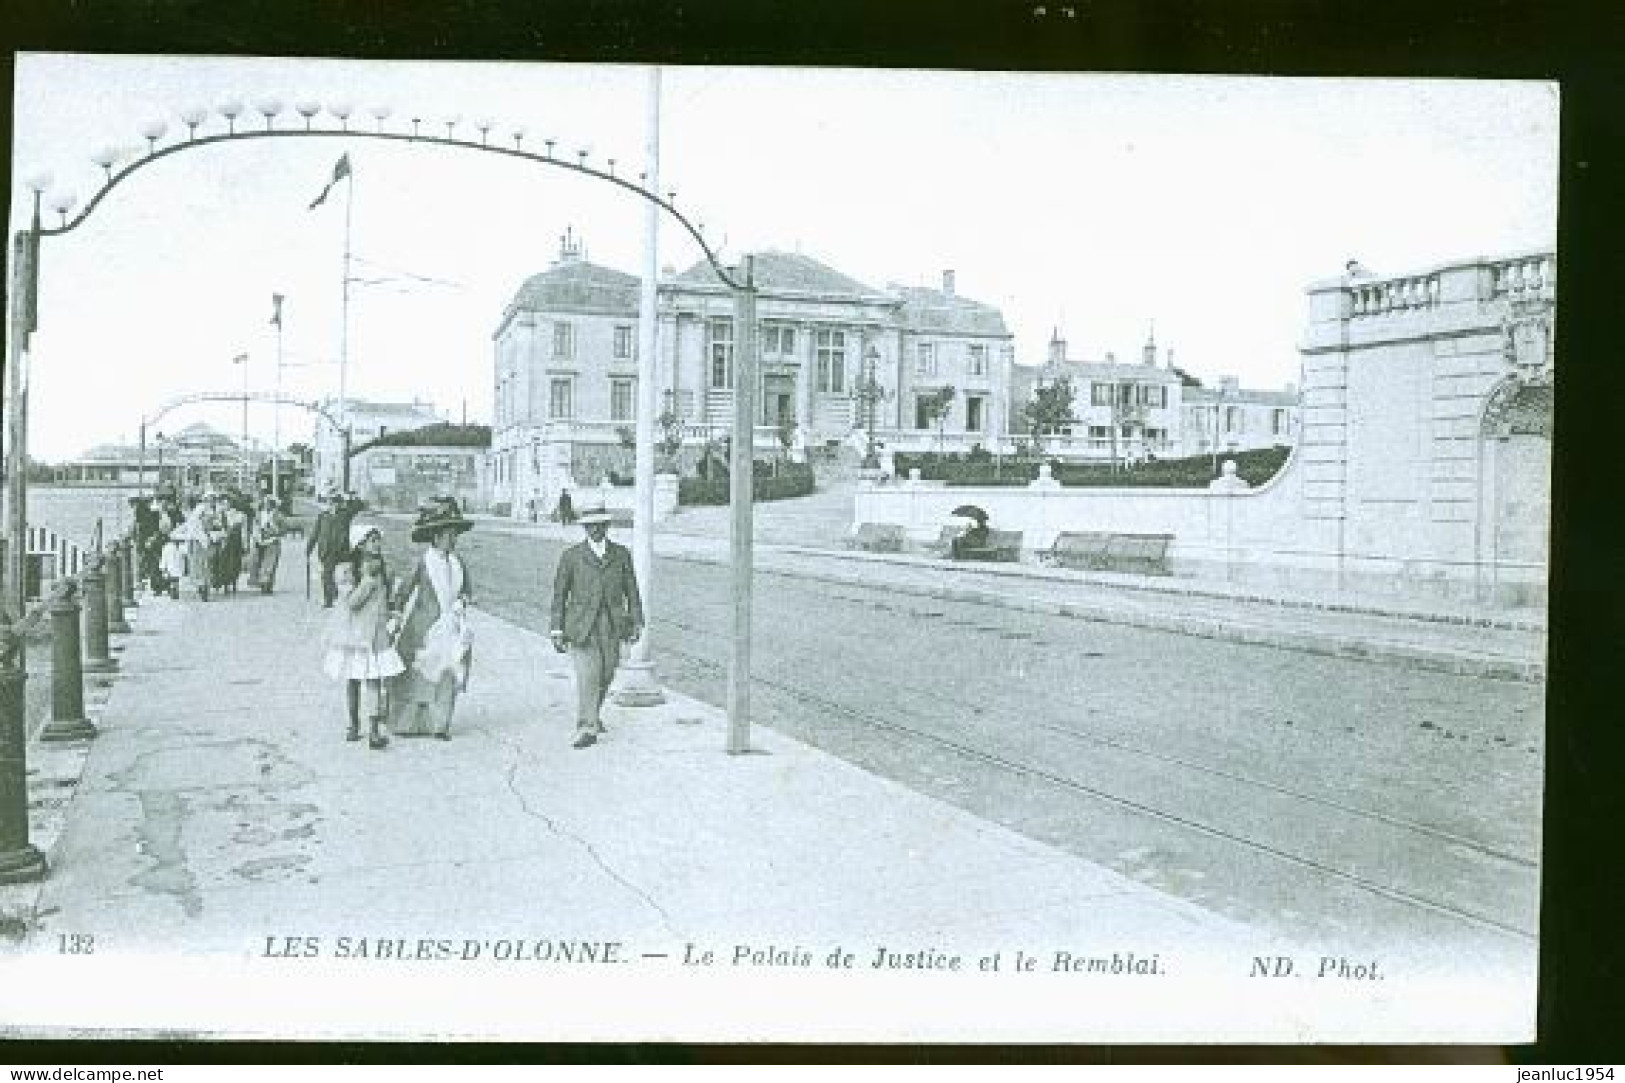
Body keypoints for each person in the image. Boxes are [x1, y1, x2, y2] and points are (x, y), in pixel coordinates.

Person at [549, 504, 643, 749]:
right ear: (584, 528)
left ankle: (594, 714)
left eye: (600, 525)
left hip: (612, 624)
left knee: (607, 673)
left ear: (606, 527)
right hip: (581, 626)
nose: (595, 530)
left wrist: (636, 621)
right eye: (590, 526)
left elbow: (632, 591)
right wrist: (556, 629)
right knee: (588, 676)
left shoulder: (621, 555)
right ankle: (586, 727)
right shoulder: (571, 557)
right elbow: (560, 594)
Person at [388, 498, 475, 740]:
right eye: (449, 534)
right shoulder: (424, 563)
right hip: (423, 628)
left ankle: (439, 725)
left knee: (447, 674)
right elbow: (404, 590)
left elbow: (466, 590)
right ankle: (409, 724)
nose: (454, 539)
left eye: (455, 534)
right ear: (436, 537)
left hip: (451, 628)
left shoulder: (458, 564)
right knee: (418, 676)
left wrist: (461, 603)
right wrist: (395, 612)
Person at [322, 522, 404, 750]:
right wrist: (367, 580)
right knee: (354, 679)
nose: (377, 545)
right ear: (360, 545)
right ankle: (353, 724)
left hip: (376, 633)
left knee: (374, 679)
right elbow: (352, 603)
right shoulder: (349, 571)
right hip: (355, 635)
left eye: (378, 540)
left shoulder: (384, 569)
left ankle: (374, 730)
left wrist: (393, 615)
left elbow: (387, 600)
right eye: (372, 541)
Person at [306, 489, 357, 608]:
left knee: (341, 575)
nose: (333, 505)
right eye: (330, 502)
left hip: (341, 551)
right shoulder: (323, 516)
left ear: (340, 504)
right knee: (327, 575)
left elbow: (357, 506)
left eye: (335, 502)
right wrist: (309, 547)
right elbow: (315, 533)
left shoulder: (345, 515)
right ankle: (329, 600)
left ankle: (341, 597)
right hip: (326, 551)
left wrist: (349, 498)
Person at [247, 496, 286, 594]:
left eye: (269, 503)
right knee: (255, 561)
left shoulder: (278, 515)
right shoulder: (259, 515)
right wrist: (256, 535)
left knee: (269, 564)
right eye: (265, 503)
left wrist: (274, 530)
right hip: (259, 541)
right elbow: (254, 526)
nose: (267, 505)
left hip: (272, 541)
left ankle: (267, 585)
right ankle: (259, 581)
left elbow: (283, 529)